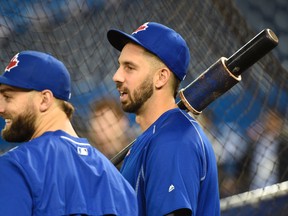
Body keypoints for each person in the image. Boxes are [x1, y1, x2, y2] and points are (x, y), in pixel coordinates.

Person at [0, 50, 137, 215]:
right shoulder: (119, 183)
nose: (1, 108)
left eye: (8, 97)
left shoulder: (17, 166)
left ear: (44, 100)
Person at [107, 22, 220, 215]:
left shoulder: (172, 141)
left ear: (161, 77)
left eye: (129, 68)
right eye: (120, 66)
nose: (116, 76)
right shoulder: (153, 138)